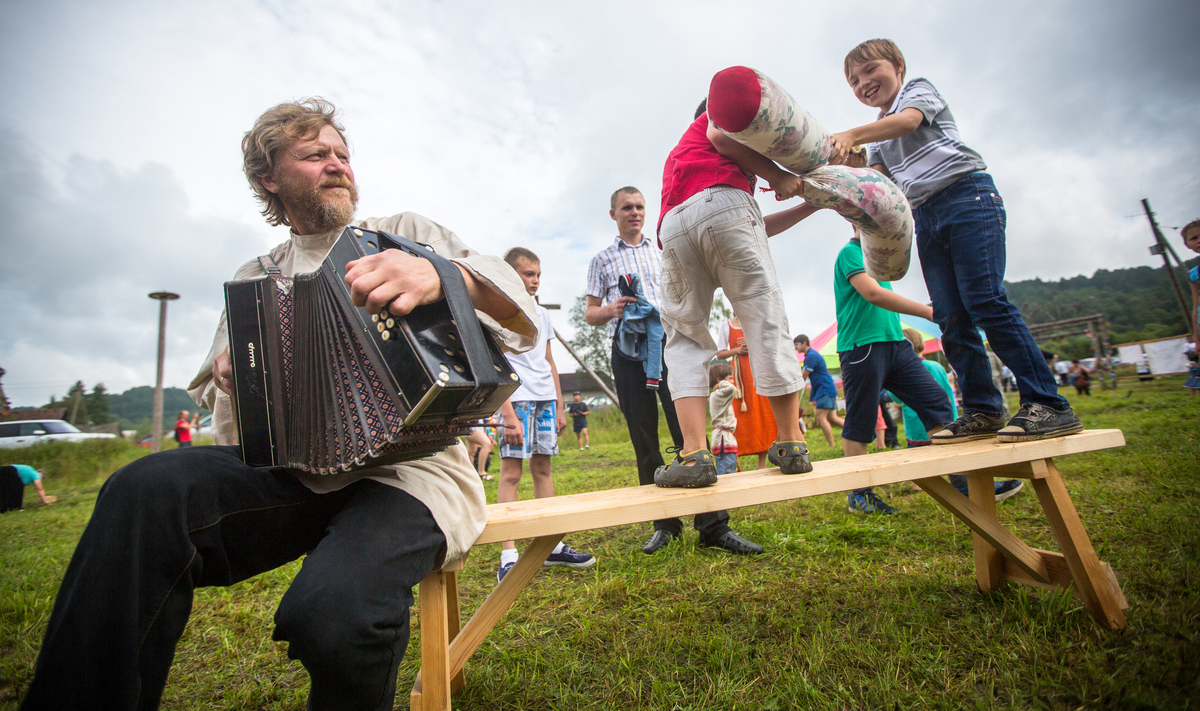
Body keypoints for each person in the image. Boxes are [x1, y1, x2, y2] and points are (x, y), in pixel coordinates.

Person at [19, 98, 539, 711]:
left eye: (342, 154)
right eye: (314, 154)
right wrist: (233, 374)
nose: (336, 165)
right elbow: (228, 413)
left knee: (333, 615)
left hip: (410, 474)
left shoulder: (404, 234)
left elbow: (521, 316)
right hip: (292, 473)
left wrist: (444, 276)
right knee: (142, 490)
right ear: (270, 179)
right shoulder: (257, 277)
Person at [832, 39, 1081, 443]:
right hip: (926, 215)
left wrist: (851, 133)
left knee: (984, 299)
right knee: (950, 314)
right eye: (854, 81)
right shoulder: (876, 138)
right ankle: (983, 408)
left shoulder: (917, 91)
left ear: (897, 66)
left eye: (870, 71)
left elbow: (909, 122)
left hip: (967, 197)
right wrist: (851, 169)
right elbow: (882, 186)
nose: (863, 83)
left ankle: (1049, 403)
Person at [585, 186, 762, 555]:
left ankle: (713, 525)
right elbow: (590, 313)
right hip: (629, 351)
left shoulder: (662, 247)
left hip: (670, 345)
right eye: (626, 208)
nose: (634, 212)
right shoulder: (601, 260)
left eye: (639, 207)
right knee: (643, 436)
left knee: (690, 432)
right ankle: (665, 525)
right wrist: (612, 310)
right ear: (613, 213)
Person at [653, 98, 819, 489]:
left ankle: (693, 455)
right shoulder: (719, 120)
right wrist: (776, 175)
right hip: (725, 208)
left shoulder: (682, 154)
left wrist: (811, 207)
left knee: (684, 338)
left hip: (674, 227)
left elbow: (749, 225)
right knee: (765, 320)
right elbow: (730, 209)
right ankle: (791, 443)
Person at [832, 226, 955, 514]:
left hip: (896, 343)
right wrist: (928, 311)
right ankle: (859, 495)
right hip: (862, 346)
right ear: (855, 222)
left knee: (937, 402)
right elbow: (873, 294)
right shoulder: (851, 253)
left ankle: (962, 481)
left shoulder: (877, 258)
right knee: (861, 421)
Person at [495, 247, 595, 582]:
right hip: (516, 401)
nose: (535, 281)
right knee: (511, 474)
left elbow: (550, 362)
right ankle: (508, 555)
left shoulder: (542, 313)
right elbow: (497, 364)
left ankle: (549, 544)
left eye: (538, 275)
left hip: (544, 401)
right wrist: (507, 414)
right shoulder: (497, 311)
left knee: (543, 469)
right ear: (512, 275)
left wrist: (559, 404)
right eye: (528, 274)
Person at [898, 329, 1023, 502]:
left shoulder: (903, 371)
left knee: (918, 457)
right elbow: (947, 392)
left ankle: (921, 483)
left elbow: (897, 396)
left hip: (915, 424)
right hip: (941, 421)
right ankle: (964, 486)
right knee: (949, 455)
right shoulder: (935, 367)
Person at [716, 315, 773, 469]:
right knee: (737, 416)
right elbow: (719, 353)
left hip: (757, 371)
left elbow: (768, 344)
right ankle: (735, 463)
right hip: (739, 376)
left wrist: (752, 344)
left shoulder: (755, 321)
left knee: (761, 413)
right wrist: (736, 350)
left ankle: (762, 463)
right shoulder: (726, 325)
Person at [793, 334, 843, 449]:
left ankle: (832, 445)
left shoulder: (811, 356)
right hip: (827, 389)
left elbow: (804, 374)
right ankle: (851, 435)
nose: (796, 348)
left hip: (824, 389)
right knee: (832, 418)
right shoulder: (810, 355)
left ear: (804, 343)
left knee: (821, 418)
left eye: (797, 344)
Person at [708, 362, 740, 476]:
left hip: (725, 438)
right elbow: (731, 389)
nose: (733, 381)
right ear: (719, 380)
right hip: (723, 439)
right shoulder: (718, 394)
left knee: (729, 469)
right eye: (730, 378)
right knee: (727, 473)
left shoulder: (718, 395)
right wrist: (722, 384)